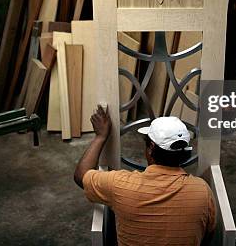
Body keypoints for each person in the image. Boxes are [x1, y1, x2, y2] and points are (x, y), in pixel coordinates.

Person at [74, 105, 216, 245]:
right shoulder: (202, 191)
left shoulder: (121, 185)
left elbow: (81, 175)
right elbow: (208, 235)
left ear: (151, 148)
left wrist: (100, 137)